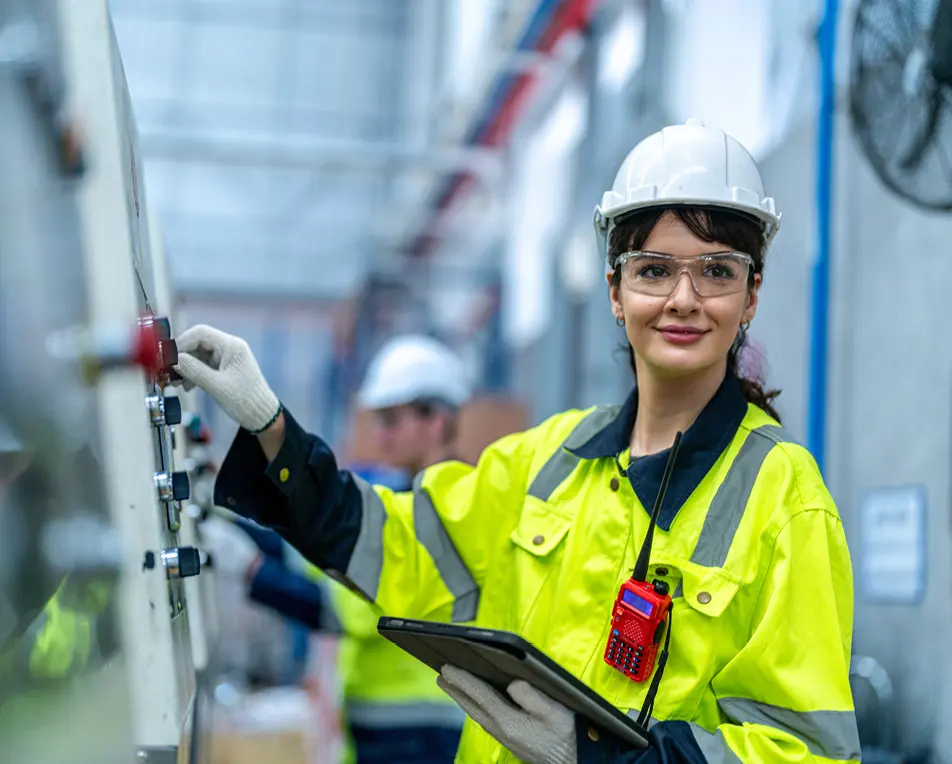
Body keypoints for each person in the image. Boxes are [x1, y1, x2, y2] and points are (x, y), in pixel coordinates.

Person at [173, 119, 859, 764]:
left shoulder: (786, 503)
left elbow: (807, 751)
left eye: (716, 270)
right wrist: (269, 425)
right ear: (616, 291)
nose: (684, 297)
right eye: (653, 269)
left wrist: (599, 755)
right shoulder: (550, 459)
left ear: (752, 295)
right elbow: (396, 546)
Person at [199, 335, 471, 764]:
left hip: (421, 738)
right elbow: (321, 557)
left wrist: (250, 570)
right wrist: (233, 522)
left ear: (436, 420)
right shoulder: (404, 499)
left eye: (391, 420)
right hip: (390, 728)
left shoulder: (452, 511)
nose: (380, 435)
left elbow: (339, 610)